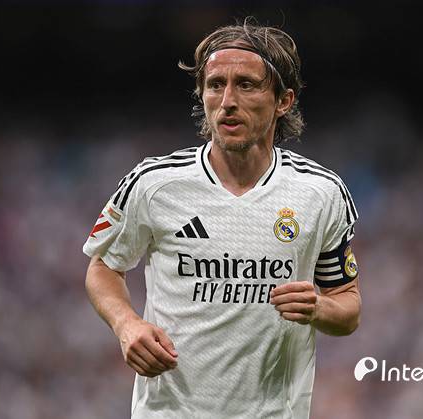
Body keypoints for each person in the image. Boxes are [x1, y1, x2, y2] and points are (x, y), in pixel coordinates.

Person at [83, 19, 361, 419]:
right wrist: (127, 324)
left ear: (283, 101)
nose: (228, 100)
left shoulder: (320, 192)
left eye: (246, 85)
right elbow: (103, 266)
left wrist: (318, 307)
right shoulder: (154, 184)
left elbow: (348, 306)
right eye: (215, 85)